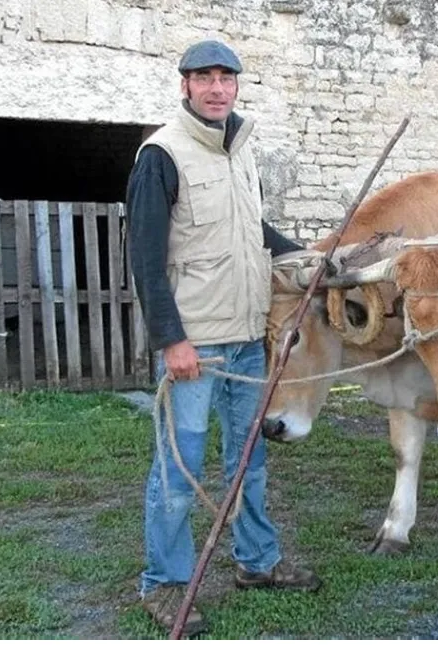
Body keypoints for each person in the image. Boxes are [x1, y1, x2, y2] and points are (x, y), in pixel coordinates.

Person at [127, 39, 321, 636]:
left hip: (247, 340)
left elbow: (250, 228)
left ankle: (256, 563)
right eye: (203, 77)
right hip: (198, 346)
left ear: (237, 85)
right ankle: (163, 585)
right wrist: (172, 341)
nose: (216, 87)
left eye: (225, 78)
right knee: (180, 470)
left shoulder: (240, 148)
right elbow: (145, 256)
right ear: (184, 84)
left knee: (249, 462)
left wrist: (308, 257)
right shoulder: (162, 155)